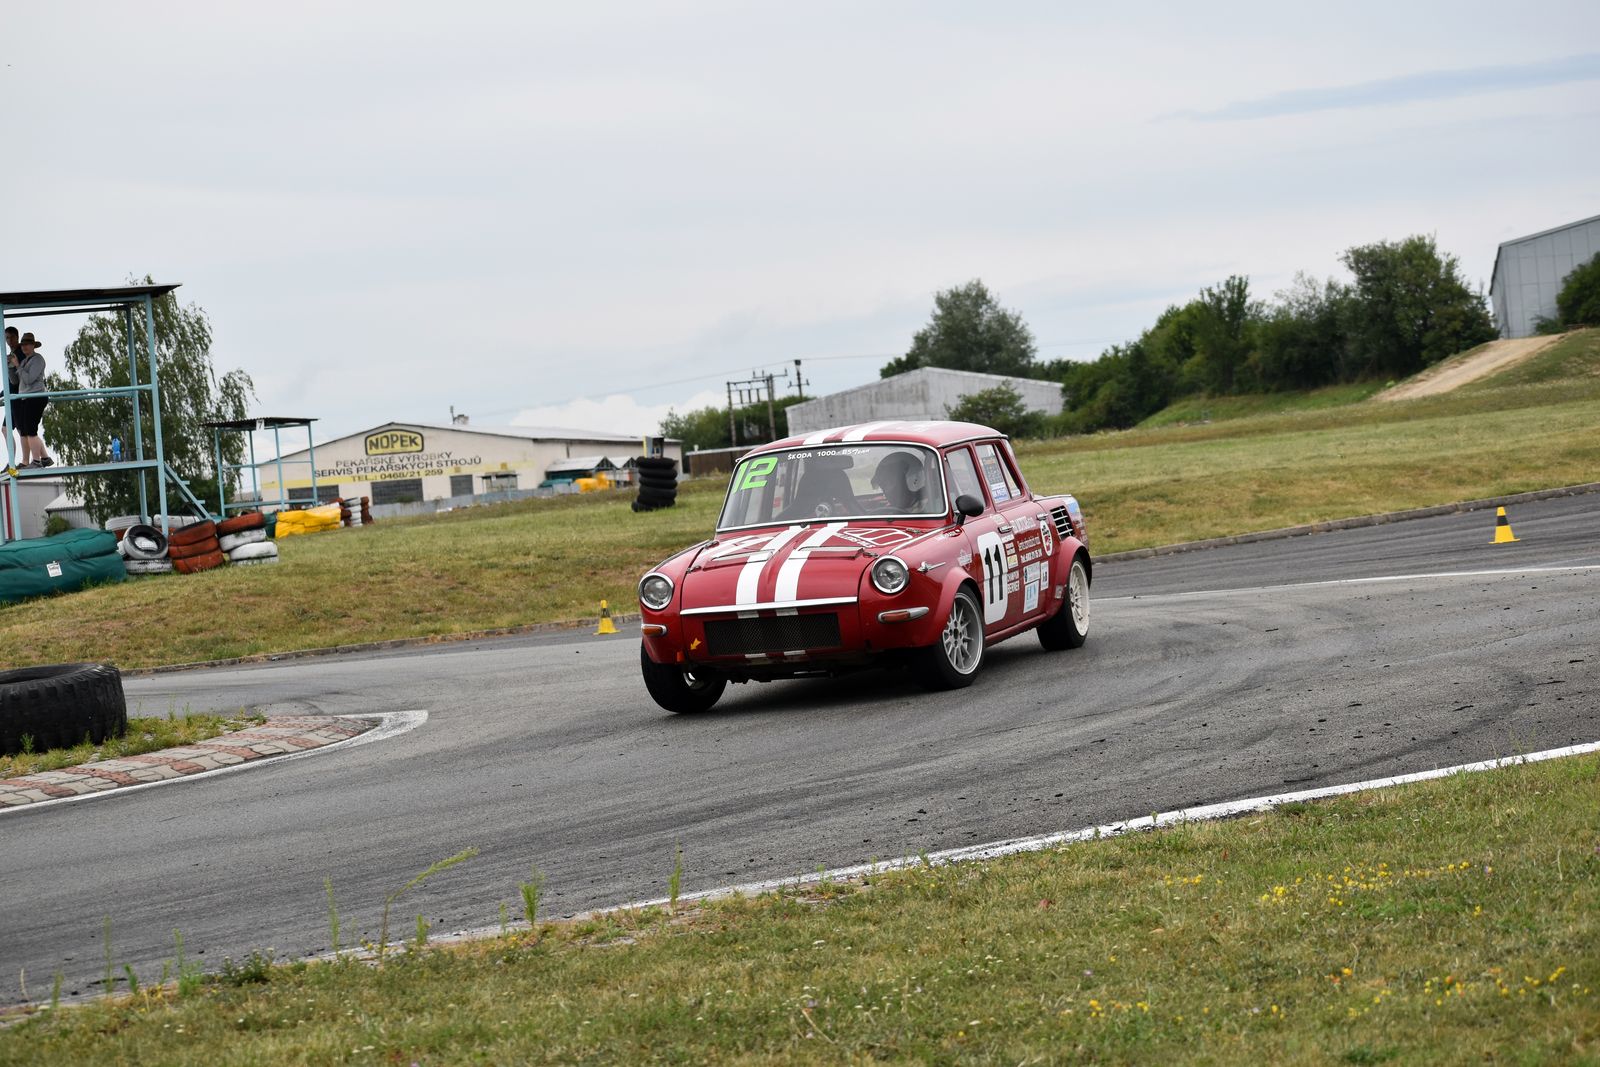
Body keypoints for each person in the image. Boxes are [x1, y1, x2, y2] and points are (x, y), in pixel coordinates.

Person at [12, 332, 52, 468]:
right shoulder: (25, 361)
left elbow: (29, 379)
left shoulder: (37, 359)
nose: (24, 347)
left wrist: (18, 366)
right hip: (26, 398)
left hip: (35, 397)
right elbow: (16, 380)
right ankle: (43, 458)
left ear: (33, 345)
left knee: (30, 430)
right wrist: (12, 366)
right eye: (23, 345)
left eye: (28, 344)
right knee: (24, 430)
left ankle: (36, 461)